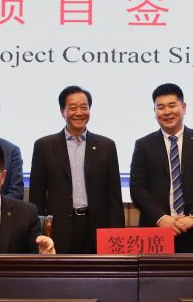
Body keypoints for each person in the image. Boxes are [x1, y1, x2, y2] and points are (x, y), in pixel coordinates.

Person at [29, 86, 125, 254]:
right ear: (62, 111)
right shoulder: (44, 146)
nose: (79, 113)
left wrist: (117, 233)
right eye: (72, 108)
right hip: (59, 228)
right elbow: (37, 195)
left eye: (84, 107)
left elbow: (114, 196)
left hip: (97, 227)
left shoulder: (106, 146)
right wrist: (38, 233)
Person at [130, 83, 193, 253]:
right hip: (156, 233)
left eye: (172, 105)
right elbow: (137, 188)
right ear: (155, 112)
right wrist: (161, 218)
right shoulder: (143, 145)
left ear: (183, 107)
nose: (167, 112)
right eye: (160, 107)